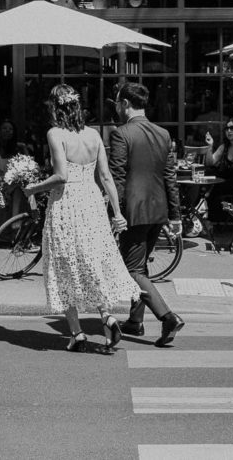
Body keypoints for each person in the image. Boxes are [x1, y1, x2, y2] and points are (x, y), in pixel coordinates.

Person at [22, 84, 141, 354]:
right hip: (93, 203)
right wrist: (117, 213)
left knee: (65, 266)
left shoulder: (55, 134)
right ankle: (106, 317)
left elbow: (62, 175)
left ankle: (77, 334)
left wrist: (33, 188)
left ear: (55, 107)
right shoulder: (93, 135)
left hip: (66, 203)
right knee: (90, 261)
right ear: (76, 106)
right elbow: (107, 177)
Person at [108, 82, 186, 347]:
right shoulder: (163, 134)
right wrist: (175, 215)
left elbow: (117, 176)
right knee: (139, 266)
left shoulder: (121, 133)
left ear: (126, 104)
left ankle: (167, 317)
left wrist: (115, 212)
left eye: (117, 103)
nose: (116, 107)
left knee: (132, 270)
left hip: (133, 210)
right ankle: (135, 321)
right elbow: (169, 177)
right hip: (159, 208)